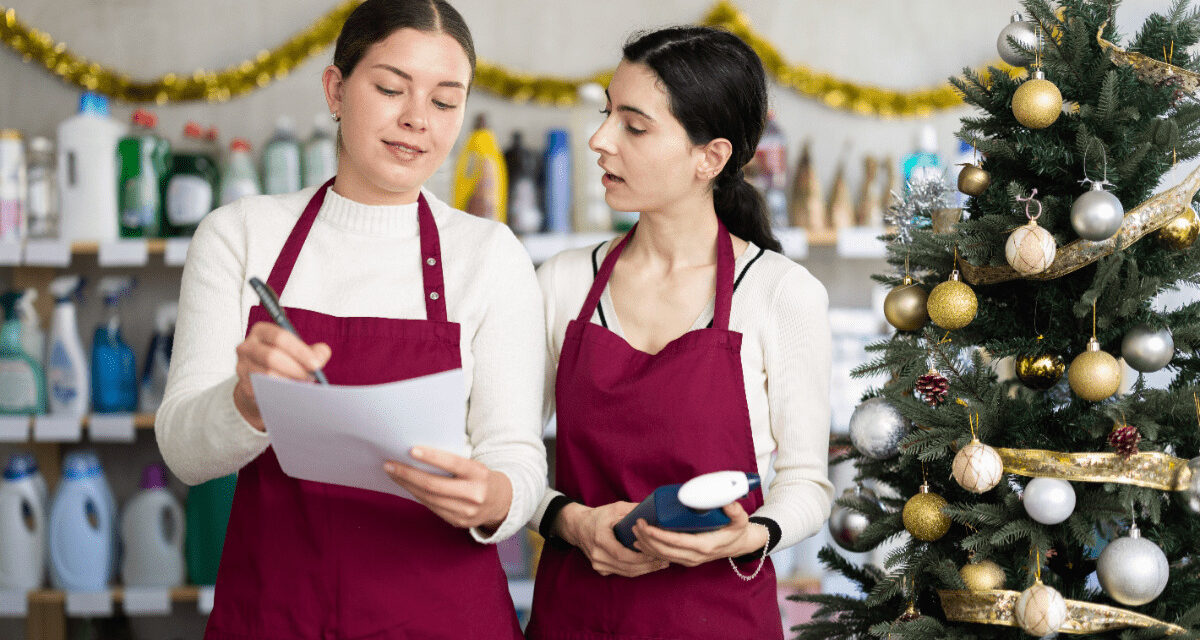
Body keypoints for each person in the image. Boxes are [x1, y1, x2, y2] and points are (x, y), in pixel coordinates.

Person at [155, 1, 545, 637]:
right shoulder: (241, 235)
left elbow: (516, 455)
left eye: (445, 102)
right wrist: (247, 404)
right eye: (391, 88)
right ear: (336, 90)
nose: (417, 120)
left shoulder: (489, 254)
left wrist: (496, 500)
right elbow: (182, 451)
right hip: (279, 611)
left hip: (442, 615)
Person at [525, 26, 833, 640]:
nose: (600, 140)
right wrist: (568, 522)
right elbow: (510, 457)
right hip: (576, 617)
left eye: (633, 126)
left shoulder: (779, 293)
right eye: (606, 113)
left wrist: (751, 535)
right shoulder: (561, 283)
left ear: (710, 158)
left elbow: (806, 483)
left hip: (718, 619)